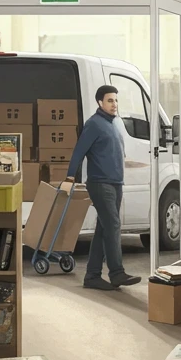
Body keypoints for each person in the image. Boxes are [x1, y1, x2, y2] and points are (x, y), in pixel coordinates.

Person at [62, 85, 141, 291]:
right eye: (109, 100)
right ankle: (116, 273)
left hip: (116, 183)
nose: (114, 104)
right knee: (113, 225)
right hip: (100, 183)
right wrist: (70, 176)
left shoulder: (113, 124)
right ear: (100, 102)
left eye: (115, 100)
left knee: (103, 229)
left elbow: (114, 154)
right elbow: (79, 151)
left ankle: (92, 276)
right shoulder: (94, 124)